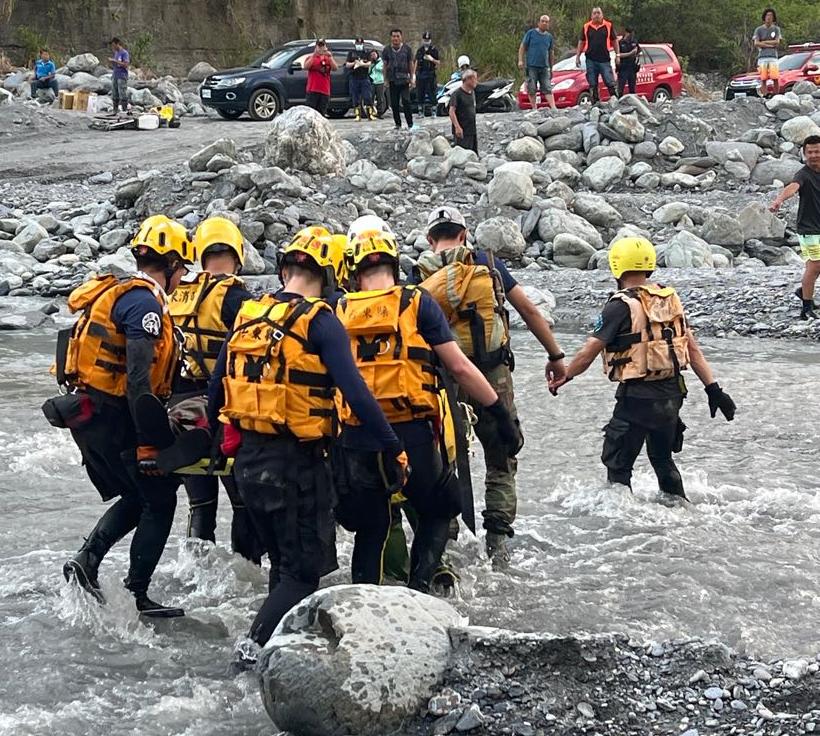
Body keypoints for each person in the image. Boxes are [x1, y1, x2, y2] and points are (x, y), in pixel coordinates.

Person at [207, 227, 407, 647]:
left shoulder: (248, 314)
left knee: (281, 568)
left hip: (247, 465)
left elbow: (216, 389)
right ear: (332, 277)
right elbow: (358, 395)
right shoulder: (321, 322)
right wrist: (393, 447)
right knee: (301, 576)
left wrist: (215, 451)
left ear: (284, 269)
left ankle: (282, 651)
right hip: (295, 466)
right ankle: (250, 654)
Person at [333, 222, 521, 591]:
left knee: (372, 527)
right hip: (412, 433)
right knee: (439, 509)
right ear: (394, 262)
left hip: (358, 437)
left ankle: (361, 600)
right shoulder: (416, 302)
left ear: (354, 272)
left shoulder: (337, 309)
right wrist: (500, 412)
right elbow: (460, 367)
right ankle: (421, 587)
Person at [412, 206, 567, 568]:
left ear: (431, 239)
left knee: (445, 462)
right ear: (463, 235)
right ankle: (497, 546)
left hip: (447, 382)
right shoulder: (487, 262)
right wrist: (555, 355)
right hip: (494, 377)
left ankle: (446, 546)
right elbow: (529, 311)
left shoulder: (418, 276)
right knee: (502, 457)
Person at [58, 216, 194, 617]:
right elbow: (138, 378)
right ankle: (137, 594)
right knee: (161, 497)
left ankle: (86, 561)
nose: (182, 278)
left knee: (138, 496)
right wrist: (149, 439)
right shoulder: (145, 304)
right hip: (116, 416)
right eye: (181, 270)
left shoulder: (122, 292)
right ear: (169, 265)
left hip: (92, 413)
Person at [549, 237, 737, 501]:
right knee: (662, 459)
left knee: (618, 466)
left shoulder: (619, 306)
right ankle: (681, 509)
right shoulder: (669, 299)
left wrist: (565, 375)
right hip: (672, 395)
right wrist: (714, 390)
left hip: (636, 398)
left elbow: (589, 350)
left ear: (616, 266)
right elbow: (691, 350)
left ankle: (618, 520)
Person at [168, 217, 261, 562]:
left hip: (182, 413)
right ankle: (247, 570)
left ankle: (196, 572)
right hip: (224, 413)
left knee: (200, 503)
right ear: (237, 257)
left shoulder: (178, 294)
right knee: (242, 502)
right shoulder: (237, 297)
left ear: (199, 255)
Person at [769, 134, 820, 319]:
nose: (814, 155)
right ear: (805, 154)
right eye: (810, 152)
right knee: (814, 266)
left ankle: (804, 291)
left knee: (815, 267)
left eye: (817, 151)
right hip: (810, 229)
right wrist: (779, 200)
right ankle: (806, 309)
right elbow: (793, 187)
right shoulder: (803, 174)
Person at [575, 7, 619, 105]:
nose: (596, 15)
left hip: (604, 60)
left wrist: (618, 55)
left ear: (602, 15)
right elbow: (581, 42)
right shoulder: (586, 27)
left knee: (609, 81)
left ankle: (616, 100)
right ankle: (595, 103)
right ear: (591, 16)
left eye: (598, 13)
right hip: (590, 59)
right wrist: (577, 56)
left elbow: (615, 41)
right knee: (592, 83)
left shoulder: (608, 26)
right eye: (594, 13)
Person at [519, 15, 557, 110]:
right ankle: (534, 108)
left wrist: (551, 67)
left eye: (546, 22)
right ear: (538, 22)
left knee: (547, 87)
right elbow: (522, 47)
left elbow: (551, 51)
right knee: (532, 88)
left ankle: (553, 108)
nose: (544, 23)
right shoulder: (531, 33)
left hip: (544, 66)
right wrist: (520, 60)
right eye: (543, 21)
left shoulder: (549, 37)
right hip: (532, 65)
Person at [382, 29, 416, 131]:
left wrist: (412, 77)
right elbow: (385, 65)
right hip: (392, 80)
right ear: (391, 38)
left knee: (406, 101)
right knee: (394, 103)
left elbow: (411, 63)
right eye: (393, 36)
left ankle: (410, 123)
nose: (395, 38)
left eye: (397, 36)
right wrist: (385, 79)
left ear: (401, 37)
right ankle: (398, 124)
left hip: (404, 79)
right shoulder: (386, 50)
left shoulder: (407, 49)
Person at [345, 38, 376, 121]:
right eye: (357, 43)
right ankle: (357, 115)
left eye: (360, 43)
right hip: (354, 77)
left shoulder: (366, 53)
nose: (359, 45)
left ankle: (370, 114)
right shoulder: (351, 53)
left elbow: (369, 63)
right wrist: (354, 63)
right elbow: (347, 64)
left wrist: (362, 64)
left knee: (367, 96)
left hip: (364, 77)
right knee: (355, 97)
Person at [754, 9, 782, 98]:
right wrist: (770, 44)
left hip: (773, 56)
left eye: (771, 16)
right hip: (762, 56)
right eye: (767, 15)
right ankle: (764, 95)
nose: (769, 17)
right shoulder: (759, 29)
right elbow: (756, 43)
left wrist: (764, 43)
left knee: (775, 77)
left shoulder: (776, 29)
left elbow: (777, 42)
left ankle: (775, 95)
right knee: (763, 78)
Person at [448, 70, 478, 153]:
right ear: (467, 80)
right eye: (474, 79)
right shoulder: (457, 94)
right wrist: (457, 127)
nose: (476, 81)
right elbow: (451, 111)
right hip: (462, 130)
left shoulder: (472, 93)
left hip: (472, 130)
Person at [305, 39, 334, 115]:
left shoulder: (328, 58)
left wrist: (330, 57)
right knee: (310, 113)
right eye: (319, 46)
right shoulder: (310, 58)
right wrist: (314, 55)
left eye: (323, 46)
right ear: (316, 47)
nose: (321, 49)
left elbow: (335, 68)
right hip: (313, 90)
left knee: (321, 113)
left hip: (324, 90)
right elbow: (306, 67)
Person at [415, 31, 440, 118]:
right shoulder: (420, 50)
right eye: (425, 39)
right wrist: (414, 75)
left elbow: (438, 62)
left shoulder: (434, 50)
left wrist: (432, 59)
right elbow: (416, 62)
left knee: (432, 93)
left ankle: (434, 111)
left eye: (428, 39)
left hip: (430, 74)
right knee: (420, 93)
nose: (426, 41)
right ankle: (421, 112)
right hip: (421, 74)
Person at [107, 37, 130, 114]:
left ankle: (124, 110)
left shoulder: (124, 53)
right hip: (115, 75)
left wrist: (115, 61)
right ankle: (115, 110)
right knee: (114, 93)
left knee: (122, 93)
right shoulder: (116, 53)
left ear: (117, 44)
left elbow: (126, 64)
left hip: (122, 76)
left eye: (114, 45)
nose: (113, 47)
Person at [616, 27, 640, 96]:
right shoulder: (620, 43)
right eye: (630, 33)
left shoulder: (634, 42)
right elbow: (618, 55)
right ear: (626, 33)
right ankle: (620, 102)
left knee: (632, 88)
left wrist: (637, 54)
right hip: (623, 67)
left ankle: (633, 103)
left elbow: (639, 51)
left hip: (632, 67)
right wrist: (630, 53)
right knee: (620, 88)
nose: (631, 35)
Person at [369, 49, 386, 116]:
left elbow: (384, 69)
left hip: (380, 81)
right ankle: (371, 112)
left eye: (374, 54)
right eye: (372, 55)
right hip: (373, 81)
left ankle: (380, 112)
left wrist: (378, 68)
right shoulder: (371, 62)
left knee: (380, 98)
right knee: (371, 97)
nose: (373, 56)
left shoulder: (381, 61)